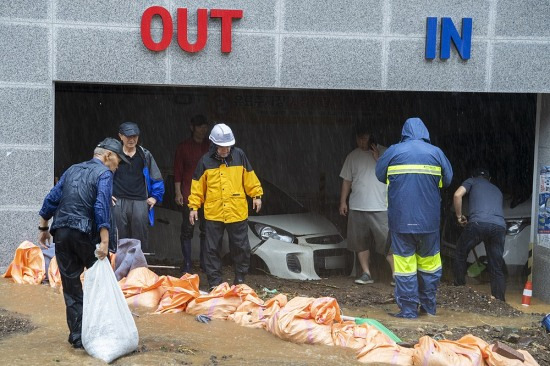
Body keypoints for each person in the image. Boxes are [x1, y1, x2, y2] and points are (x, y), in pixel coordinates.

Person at [37, 138, 128, 349]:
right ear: (107, 156)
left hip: (61, 233)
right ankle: (99, 331)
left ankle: (78, 337)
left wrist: (43, 228)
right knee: (98, 282)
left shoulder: (72, 169)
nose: (117, 166)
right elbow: (100, 206)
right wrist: (104, 241)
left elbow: (52, 198)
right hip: (85, 234)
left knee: (71, 287)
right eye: (118, 161)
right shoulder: (104, 173)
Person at [375, 117, 453, 318]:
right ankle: (428, 308)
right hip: (429, 223)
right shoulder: (436, 152)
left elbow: (379, 174)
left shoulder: (393, 150)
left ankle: (408, 311)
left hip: (401, 222)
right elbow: (448, 179)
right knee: (429, 266)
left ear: (404, 133)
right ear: (425, 132)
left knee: (405, 268)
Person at [188, 123, 263, 289]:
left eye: (228, 147)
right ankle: (215, 283)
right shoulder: (205, 161)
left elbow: (250, 177)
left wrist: (256, 195)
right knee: (211, 249)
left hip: (236, 211)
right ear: (214, 145)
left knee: (241, 247)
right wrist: (193, 207)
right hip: (214, 213)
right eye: (222, 147)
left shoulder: (240, 156)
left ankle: (240, 279)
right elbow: (197, 186)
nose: (225, 150)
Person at [339, 126, 394, 285]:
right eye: (359, 138)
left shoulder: (387, 152)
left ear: (372, 138)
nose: (361, 142)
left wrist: (379, 159)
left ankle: (397, 275)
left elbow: (394, 175)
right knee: (359, 243)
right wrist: (343, 201)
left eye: (365, 138)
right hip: (357, 206)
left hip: (381, 206)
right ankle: (366, 273)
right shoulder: (352, 156)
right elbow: (347, 180)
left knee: (388, 243)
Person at [453, 168, 507, 301]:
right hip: (499, 226)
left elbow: (457, 195)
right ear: (489, 179)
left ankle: (459, 290)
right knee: (496, 264)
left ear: (474, 176)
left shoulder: (472, 181)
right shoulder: (497, 190)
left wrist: (459, 217)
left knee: (460, 253)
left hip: (478, 223)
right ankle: (499, 300)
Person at [112, 122, 165, 252]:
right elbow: (103, 176)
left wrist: (155, 197)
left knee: (140, 238)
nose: (132, 139)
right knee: (119, 238)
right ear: (120, 136)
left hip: (140, 201)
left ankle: (139, 269)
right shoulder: (114, 155)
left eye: (134, 136)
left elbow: (156, 177)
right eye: (128, 136)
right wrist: (106, 194)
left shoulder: (145, 155)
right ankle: (119, 270)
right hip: (118, 201)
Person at [173, 114, 210, 273]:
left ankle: (204, 262)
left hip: (209, 195)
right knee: (187, 230)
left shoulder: (211, 146)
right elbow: (178, 171)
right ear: (192, 127)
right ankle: (187, 263)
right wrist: (177, 192)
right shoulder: (183, 147)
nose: (203, 130)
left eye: (205, 127)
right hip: (188, 193)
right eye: (200, 126)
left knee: (207, 230)